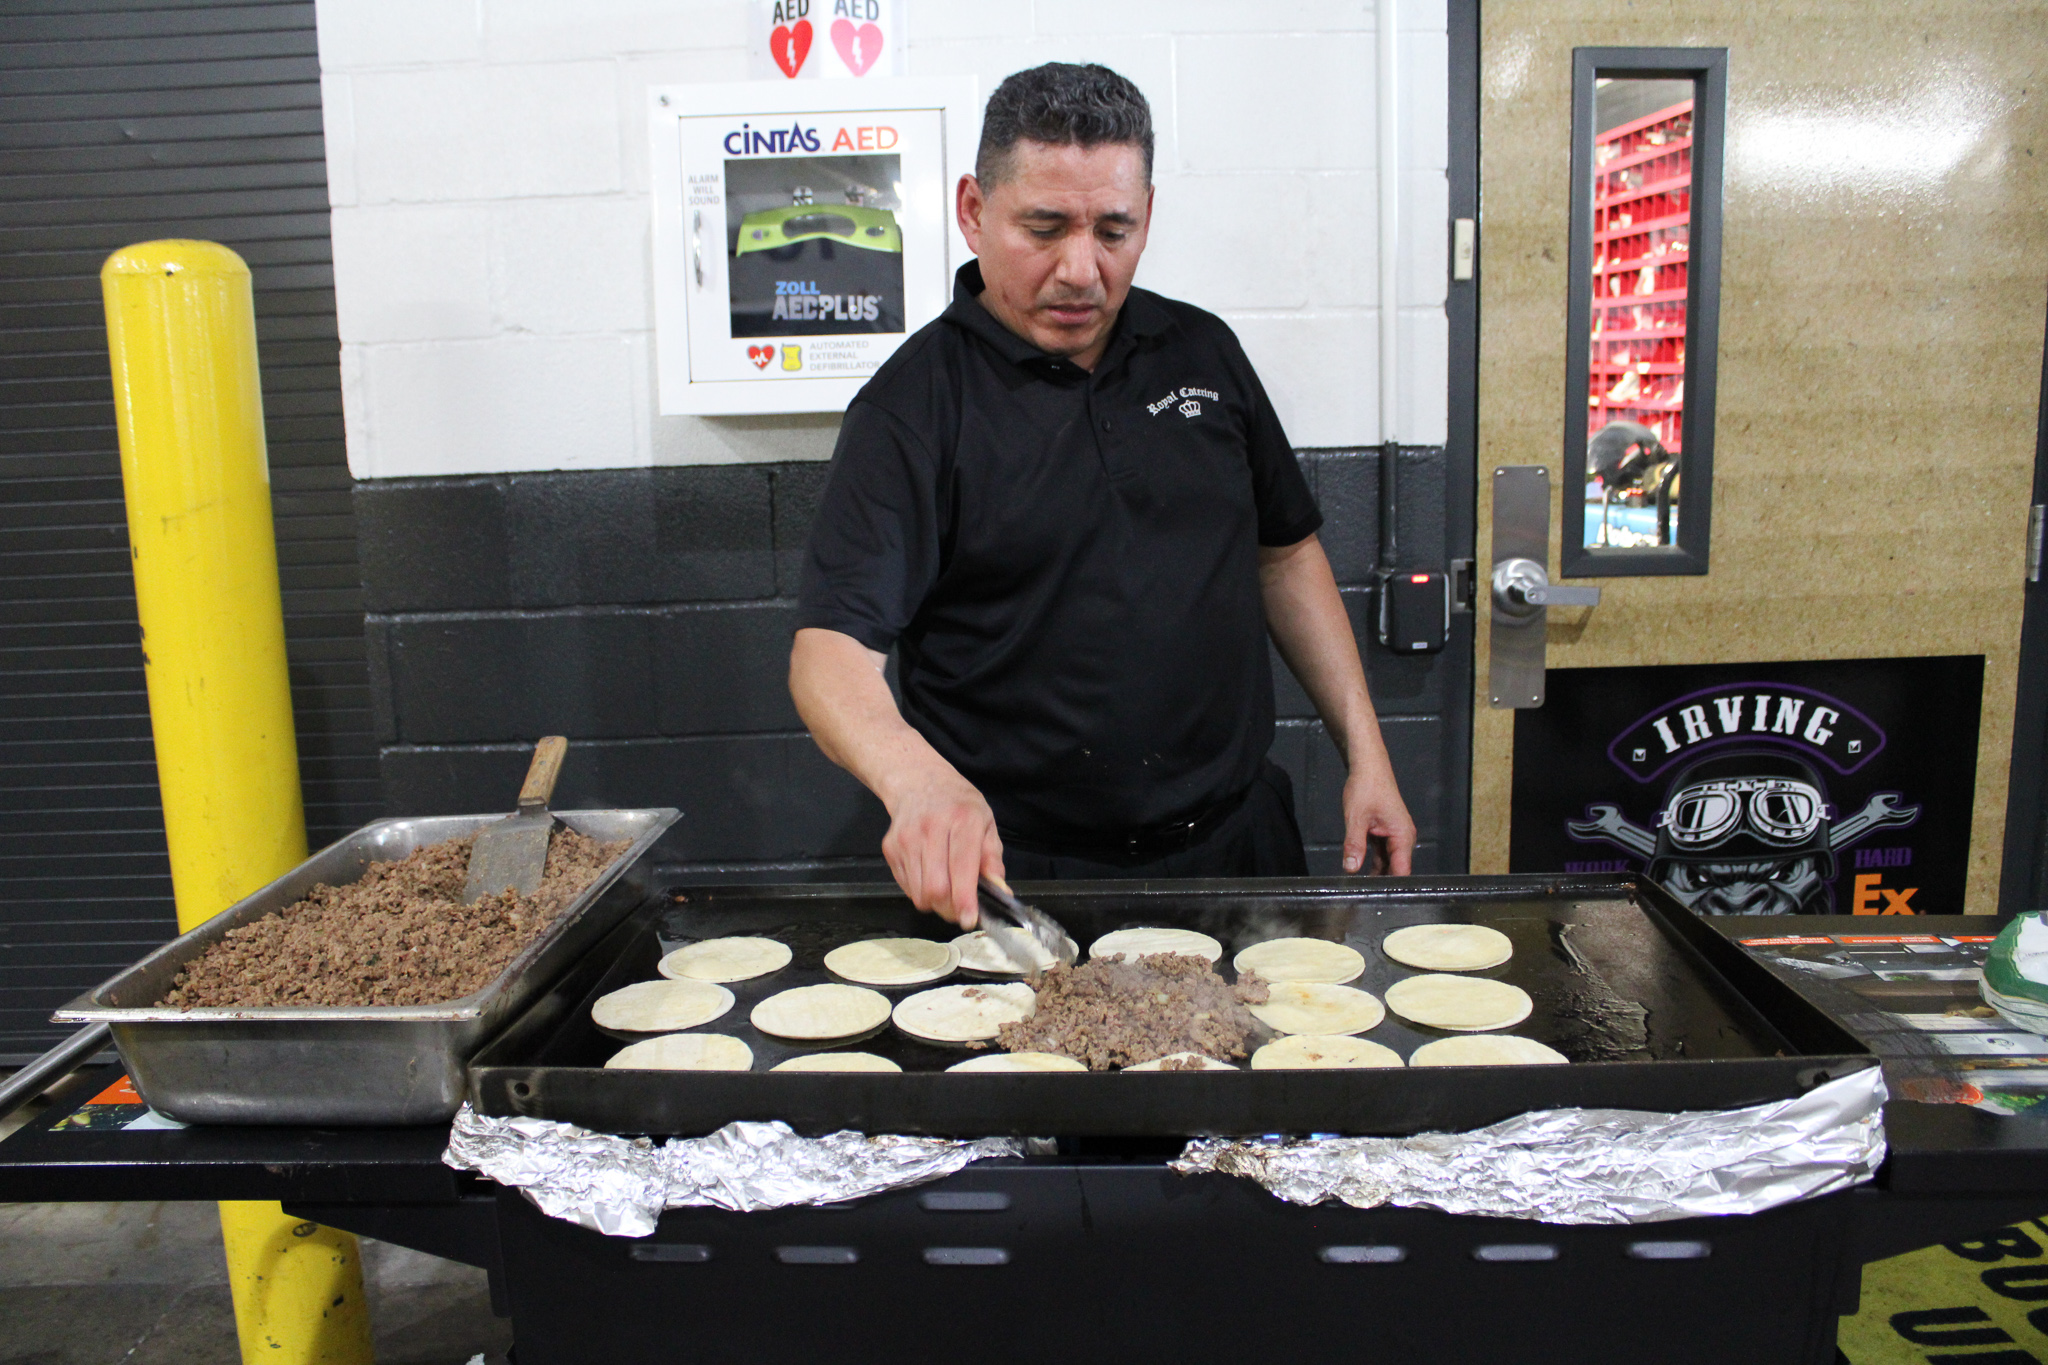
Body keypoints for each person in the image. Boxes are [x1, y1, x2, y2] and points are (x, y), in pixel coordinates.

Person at [788, 62, 1414, 926]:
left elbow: (1285, 553)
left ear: (1148, 214)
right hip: (1028, 882)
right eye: (1043, 228)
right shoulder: (912, 408)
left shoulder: (1203, 353)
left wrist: (1367, 754)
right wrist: (915, 778)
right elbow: (829, 654)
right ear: (973, 210)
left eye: (1113, 230)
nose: (1081, 269)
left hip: (1237, 854)